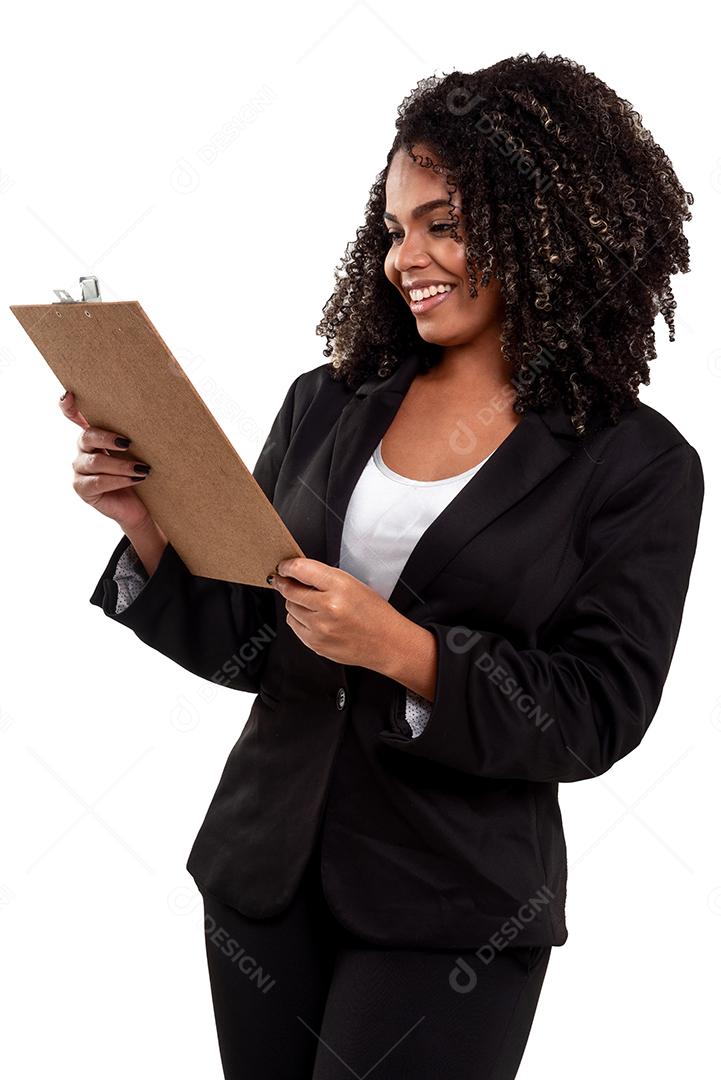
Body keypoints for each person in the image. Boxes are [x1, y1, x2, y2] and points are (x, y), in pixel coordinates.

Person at [60, 53, 704, 1080]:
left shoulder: (636, 464)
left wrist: (404, 651)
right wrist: (147, 524)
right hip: (263, 879)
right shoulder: (328, 400)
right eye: (396, 228)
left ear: (549, 228)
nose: (408, 256)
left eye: (444, 223)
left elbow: (595, 713)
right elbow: (248, 645)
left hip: (453, 906)